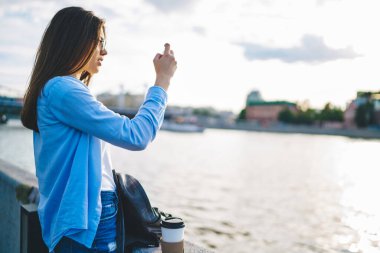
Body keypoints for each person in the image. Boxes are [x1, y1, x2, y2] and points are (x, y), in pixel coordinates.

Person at [20, 6, 177, 253]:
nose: (104, 50)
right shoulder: (64, 89)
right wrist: (162, 82)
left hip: (77, 216)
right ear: (75, 41)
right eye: (99, 41)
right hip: (86, 219)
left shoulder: (55, 89)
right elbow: (137, 135)